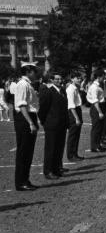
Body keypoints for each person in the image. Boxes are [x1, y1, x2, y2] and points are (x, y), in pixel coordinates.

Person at [12, 63, 40, 191]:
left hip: (29, 117)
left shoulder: (27, 84)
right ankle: (21, 182)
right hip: (25, 118)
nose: (36, 74)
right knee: (24, 151)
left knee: (28, 151)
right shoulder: (23, 84)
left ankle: (25, 179)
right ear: (28, 72)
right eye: (34, 71)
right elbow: (22, 105)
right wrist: (30, 123)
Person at [38, 73, 70, 179]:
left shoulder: (62, 91)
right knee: (50, 149)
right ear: (51, 80)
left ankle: (56, 169)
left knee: (59, 149)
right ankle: (48, 171)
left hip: (61, 124)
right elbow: (43, 109)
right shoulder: (49, 92)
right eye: (57, 79)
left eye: (61, 79)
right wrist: (45, 122)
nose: (60, 81)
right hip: (52, 125)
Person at [64, 72, 84, 162]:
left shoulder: (75, 88)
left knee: (76, 134)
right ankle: (71, 155)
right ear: (72, 79)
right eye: (77, 78)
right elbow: (71, 105)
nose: (79, 80)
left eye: (80, 78)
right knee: (73, 134)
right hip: (73, 112)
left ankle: (74, 153)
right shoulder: (71, 89)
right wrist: (76, 118)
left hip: (77, 110)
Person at [87, 74, 106, 153]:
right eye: (102, 77)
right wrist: (100, 112)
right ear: (98, 77)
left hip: (100, 105)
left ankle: (98, 144)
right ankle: (94, 146)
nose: (104, 78)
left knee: (99, 127)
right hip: (96, 107)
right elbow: (95, 101)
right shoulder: (94, 87)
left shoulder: (98, 85)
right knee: (96, 127)